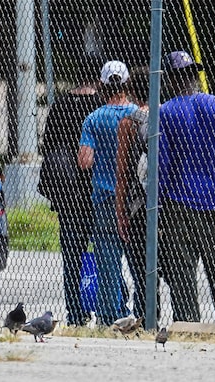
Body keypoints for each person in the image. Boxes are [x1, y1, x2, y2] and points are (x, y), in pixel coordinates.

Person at [158, 51, 215, 324]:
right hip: (213, 201)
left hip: (177, 203)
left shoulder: (165, 112)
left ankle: (188, 325)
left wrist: (159, 205)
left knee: (182, 273)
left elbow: (162, 164)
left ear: (171, 80)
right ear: (195, 77)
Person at [38, 64, 101, 327]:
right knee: (104, 253)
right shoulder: (100, 106)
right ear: (99, 79)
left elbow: (49, 145)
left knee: (71, 257)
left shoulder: (62, 104)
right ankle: (107, 309)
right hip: (97, 190)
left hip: (67, 193)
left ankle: (75, 314)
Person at [78, 60, 138, 326]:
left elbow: (85, 161)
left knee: (108, 259)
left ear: (102, 85)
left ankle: (108, 316)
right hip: (134, 199)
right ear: (126, 84)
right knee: (138, 259)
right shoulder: (138, 114)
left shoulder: (94, 118)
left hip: (105, 197)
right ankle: (144, 312)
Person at [114, 66, 154, 319]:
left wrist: (121, 213)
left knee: (142, 272)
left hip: (139, 205)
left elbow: (122, 173)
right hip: (167, 204)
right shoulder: (167, 114)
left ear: (130, 89)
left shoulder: (129, 123)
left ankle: (145, 317)